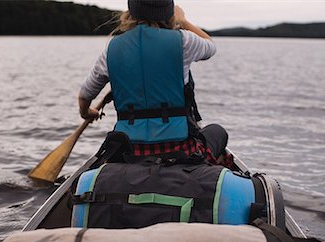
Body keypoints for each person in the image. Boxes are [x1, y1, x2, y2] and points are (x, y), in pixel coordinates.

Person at [78, 0, 228, 164]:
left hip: (130, 149)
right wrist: (183, 21)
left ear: (131, 11)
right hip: (179, 148)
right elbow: (210, 47)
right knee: (217, 132)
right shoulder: (184, 41)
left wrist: (86, 112)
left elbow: (85, 94)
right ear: (168, 12)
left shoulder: (110, 50)